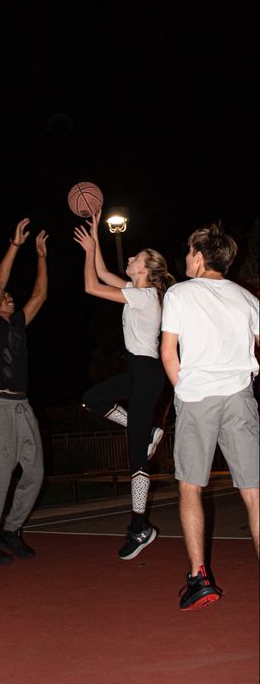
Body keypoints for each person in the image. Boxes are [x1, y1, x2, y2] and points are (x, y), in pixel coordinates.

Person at [161, 222, 259, 611]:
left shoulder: (179, 293)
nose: (185, 259)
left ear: (200, 256)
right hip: (240, 396)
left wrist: (183, 391)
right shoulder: (247, 299)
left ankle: (199, 578)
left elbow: (169, 352)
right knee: (253, 492)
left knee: (190, 487)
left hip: (198, 396)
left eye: (188, 252)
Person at [74, 211, 175, 560]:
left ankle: (139, 528)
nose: (129, 259)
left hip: (147, 373)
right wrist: (94, 236)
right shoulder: (137, 290)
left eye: (135, 258)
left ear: (145, 269)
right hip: (139, 371)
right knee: (93, 398)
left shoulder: (145, 297)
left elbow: (91, 285)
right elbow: (103, 273)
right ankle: (146, 430)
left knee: (136, 459)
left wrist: (89, 251)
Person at [0, 217, 48, 565]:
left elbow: (39, 294)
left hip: (23, 407)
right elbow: (0, 280)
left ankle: (10, 530)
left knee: (34, 473)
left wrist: (42, 256)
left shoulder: (18, 323)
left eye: (8, 297)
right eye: (3, 297)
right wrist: (16, 246)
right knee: (2, 471)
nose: (8, 297)